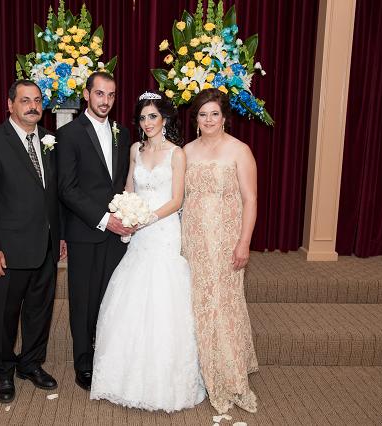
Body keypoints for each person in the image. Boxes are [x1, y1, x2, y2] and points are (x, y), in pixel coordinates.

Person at [89, 91, 205, 412]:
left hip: (163, 231)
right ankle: (124, 378)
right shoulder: (135, 150)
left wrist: (147, 219)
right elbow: (129, 188)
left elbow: (177, 199)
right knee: (132, 295)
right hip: (139, 233)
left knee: (163, 297)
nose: (147, 123)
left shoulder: (177, 153)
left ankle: (165, 381)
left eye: (153, 116)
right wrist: (126, 213)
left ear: (164, 118)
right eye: (142, 117)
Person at [0, 80, 66, 404]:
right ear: (9, 104)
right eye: (25, 100)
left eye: (37, 100)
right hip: (7, 249)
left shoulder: (50, 140)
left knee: (40, 311)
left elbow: (54, 195)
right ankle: (3, 371)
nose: (32, 106)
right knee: (3, 316)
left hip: (46, 245)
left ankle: (31, 364)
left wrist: (60, 234)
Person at [181, 88, 259, 414]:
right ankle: (202, 371)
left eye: (215, 114)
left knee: (224, 305)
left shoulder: (240, 150)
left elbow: (250, 200)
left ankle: (231, 375)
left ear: (224, 117)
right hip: (193, 241)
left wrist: (244, 242)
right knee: (198, 304)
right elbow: (179, 198)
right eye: (203, 114)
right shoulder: (186, 151)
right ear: (196, 119)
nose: (209, 120)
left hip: (227, 241)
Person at [56, 71, 132, 391]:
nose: (105, 101)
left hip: (117, 233)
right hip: (86, 230)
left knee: (111, 297)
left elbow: (124, 181)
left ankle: (107, 355)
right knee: (83, 300)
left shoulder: (122, 133)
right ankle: (84, 362)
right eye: (100, 94)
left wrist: (127, 214)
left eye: (111, 95)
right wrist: (104, 219)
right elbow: (67, 188)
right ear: (87, 95)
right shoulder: (69, 134)